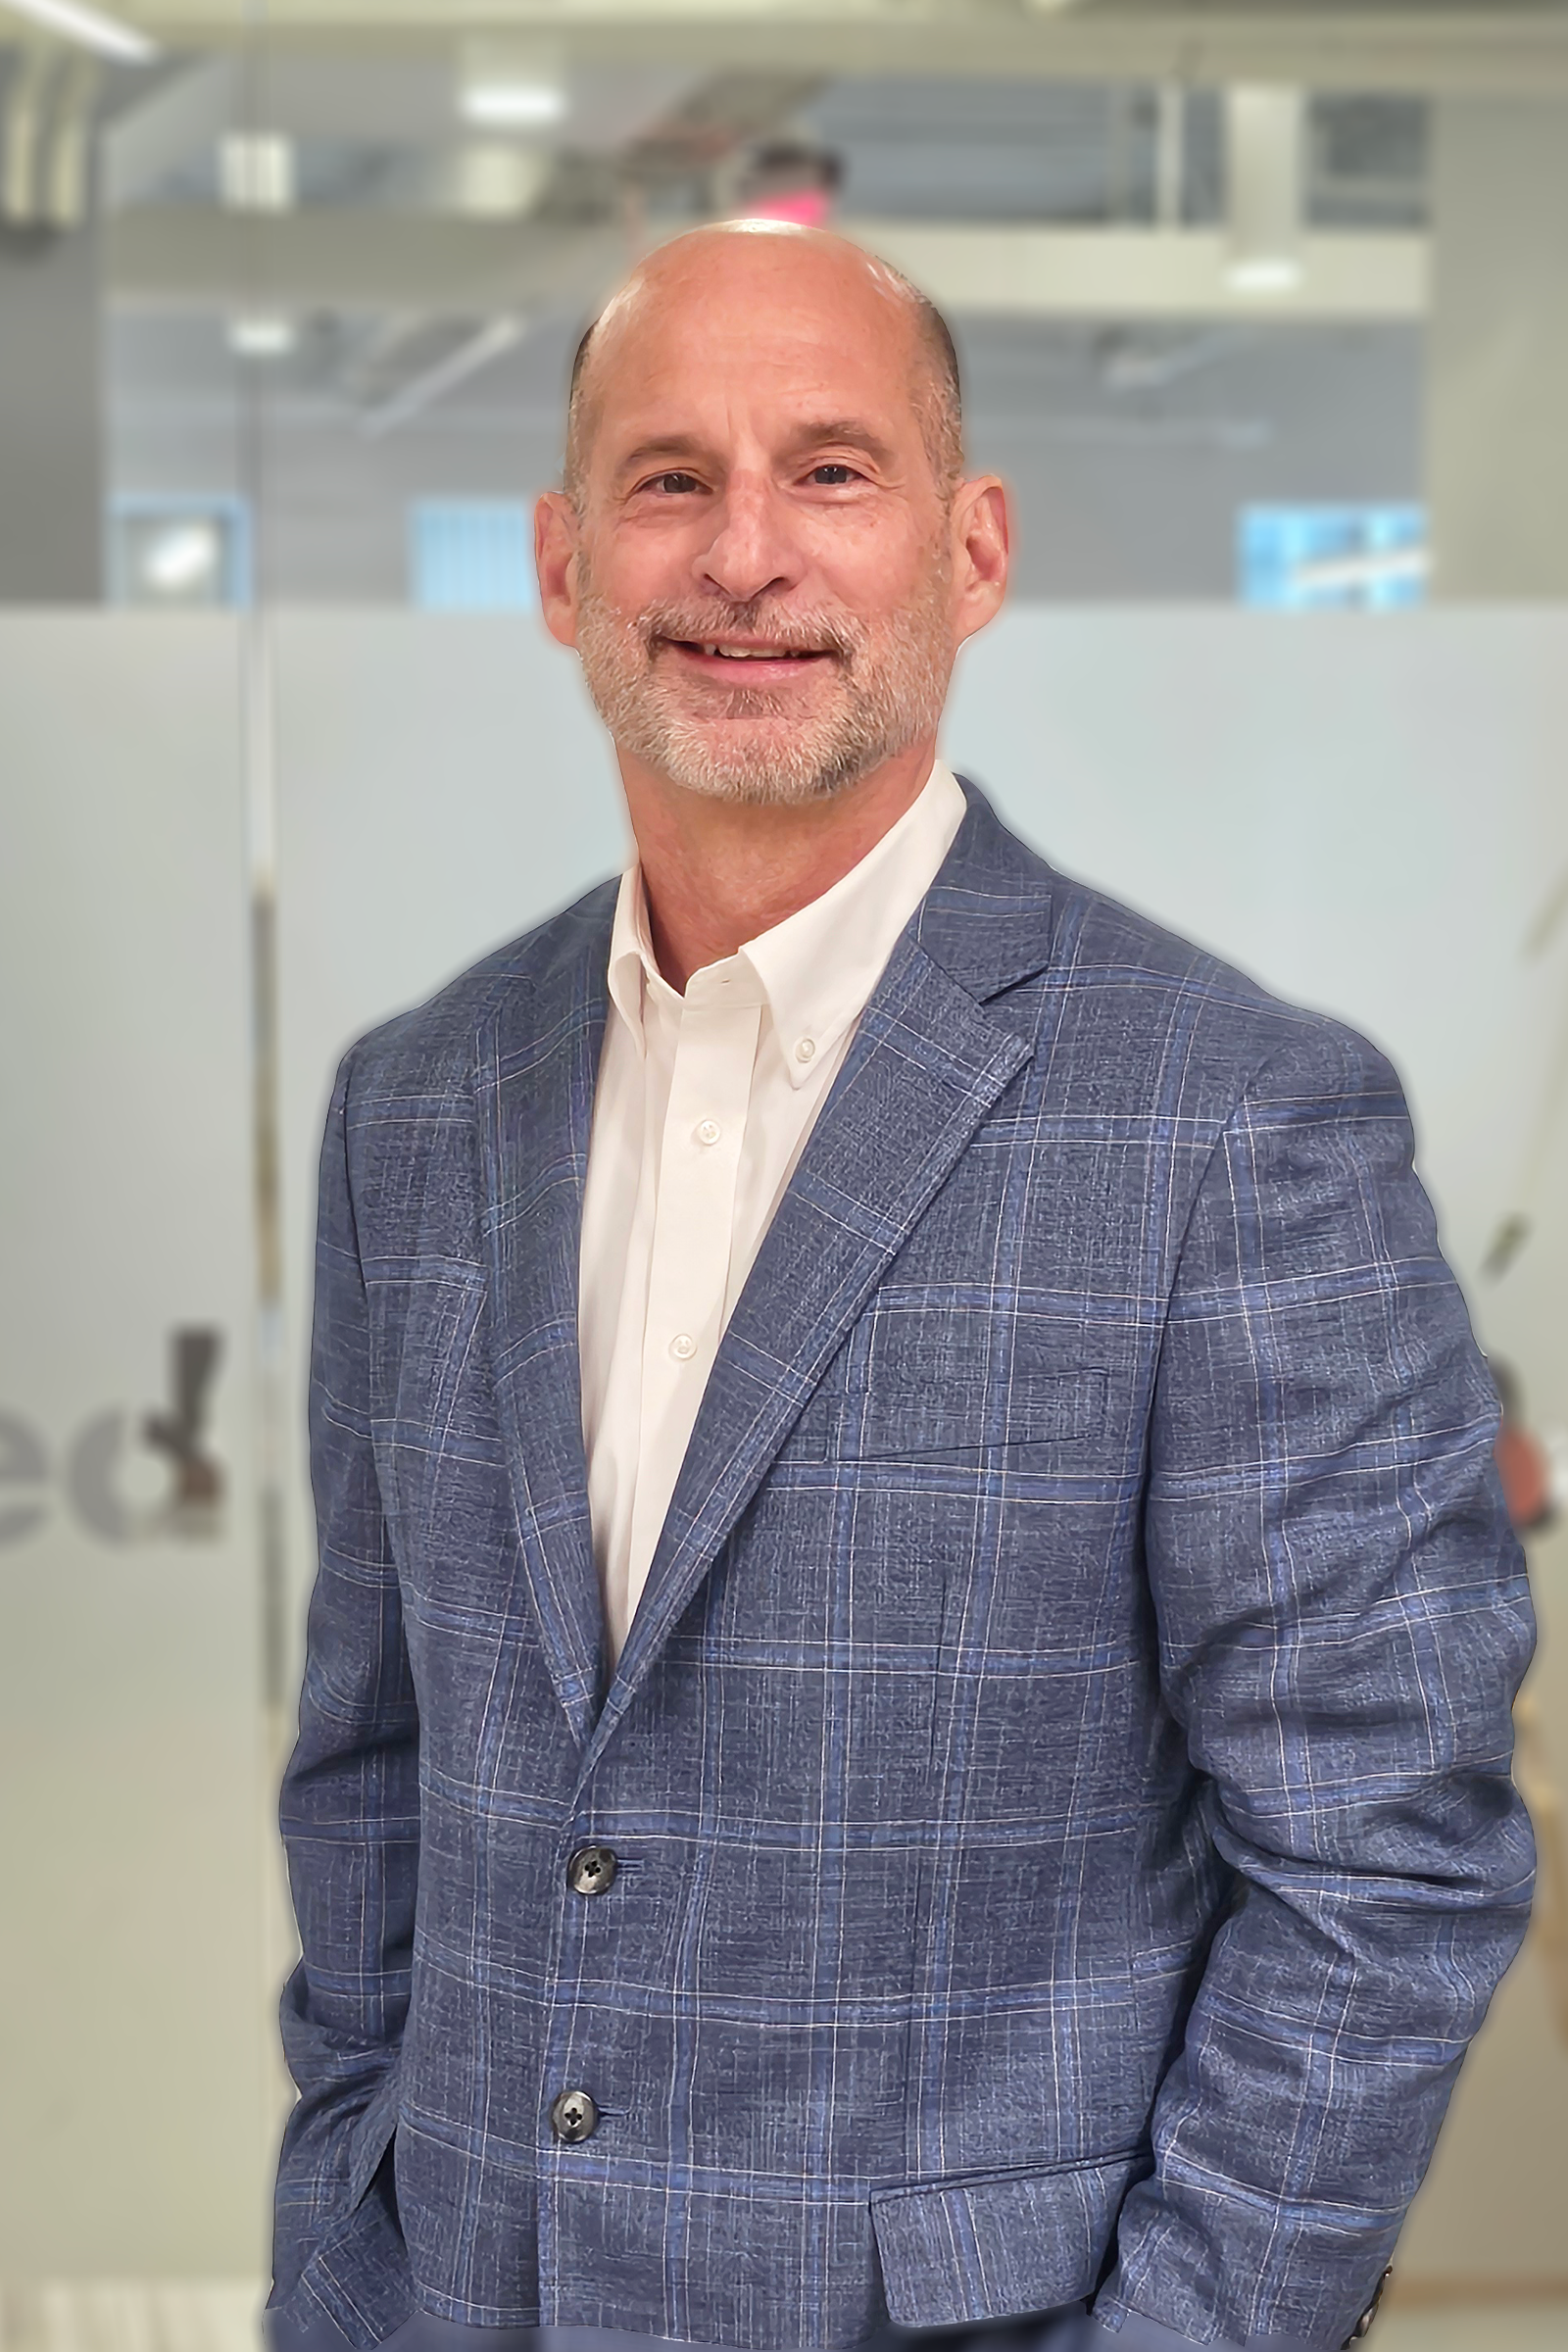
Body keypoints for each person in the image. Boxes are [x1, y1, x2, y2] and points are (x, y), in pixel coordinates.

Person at [268, 224, 1535, 2352]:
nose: (742, 553)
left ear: (971, 553)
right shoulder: (418, 1105)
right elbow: (374, 1766)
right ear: (563, 567)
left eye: (831, 472)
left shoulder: (1233, 1124)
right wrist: (347, 2242)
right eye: (669, 479)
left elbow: (1382, 1867)